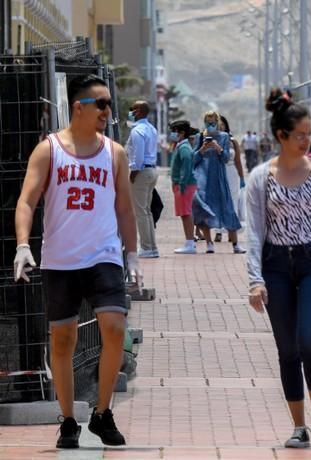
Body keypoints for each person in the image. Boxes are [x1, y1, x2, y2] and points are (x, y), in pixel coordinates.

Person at [13, 74, 142, 449]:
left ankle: (102, 413)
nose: (107, 111)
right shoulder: (49, 149)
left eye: (109, 105)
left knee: (115, 328)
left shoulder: (114, 152)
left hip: (103, 257)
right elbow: (26, 200)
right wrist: (24, 244)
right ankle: (68, 420)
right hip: (60, 260)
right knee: (64, 339)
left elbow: (124, 208)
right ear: (79, 107)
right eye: (100, 104)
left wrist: (131, 254)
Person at [246, 88, 311, 448]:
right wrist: (255, 280)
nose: (307, 140)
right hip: (276, 266)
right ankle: (298, 424)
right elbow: (254, 231)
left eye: (309, 133)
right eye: (300, 134)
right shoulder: (260, 177)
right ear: (281, 136)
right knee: (287, 349)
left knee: (309, 341)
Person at [192, 111, 243, 254]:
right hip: (203, 177)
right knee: (205, 209)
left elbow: (226, 158)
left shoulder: (224, 137)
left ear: (218, 122)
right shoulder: (200, 137)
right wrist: (202, 149)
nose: (210, 125)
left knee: (227, 207)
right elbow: (193, 160)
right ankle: (209, 243)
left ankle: (235, 244)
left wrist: (217, 147)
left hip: (219, 176)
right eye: (208, 122)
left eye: (213, 122)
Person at [125, 100, 159, 258]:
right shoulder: (151, 129)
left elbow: (138, 156)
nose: (130, 112)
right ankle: (151, 247)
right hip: (151, 170)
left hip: (141, 172)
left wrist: (133, 173)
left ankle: (146, 247)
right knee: (146, 211)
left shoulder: (137, 131)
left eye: (132, 109)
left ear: (138, 111)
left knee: (140, 212)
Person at [212, 115, 246, 247]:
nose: (220, 128)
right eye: (218, 126)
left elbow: (237, 161)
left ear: (226, 126)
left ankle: (232, 232)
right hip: (218, 172)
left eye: (222, 125)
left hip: (232, 173)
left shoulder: (233, 141)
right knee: (219, 201)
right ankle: (218, 231)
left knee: (232, 201)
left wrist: (242, 177)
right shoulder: (213, 141)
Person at [169, 120, 197, 254]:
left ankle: (190, 243)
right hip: (183, 184)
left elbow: (186, 165)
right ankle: (189, 242)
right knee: (185, 213)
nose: (172, 134)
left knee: (186, 213)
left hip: (184, 185)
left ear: (182, 133)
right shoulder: (180, 145)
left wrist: (182, 183)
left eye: (174, 131)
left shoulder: (184, 147)